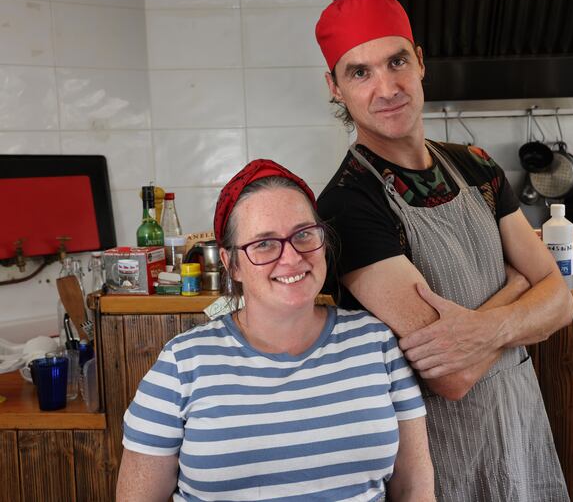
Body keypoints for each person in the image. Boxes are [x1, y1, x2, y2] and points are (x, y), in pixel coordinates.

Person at [315, 0, 573, 501]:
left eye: (396, 62)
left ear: (420, 62)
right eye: (360, 72)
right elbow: (452, 375)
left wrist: (483, 329)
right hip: (435, 454)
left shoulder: (476, 165)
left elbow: (561, 300)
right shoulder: (347, 204)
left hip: (519, 426)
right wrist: (519, 287)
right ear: (335, 88)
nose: (387, 88)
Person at [116, 159, 435, 502]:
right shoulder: (182, 364)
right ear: (231, 264)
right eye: (264, 243)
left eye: (304, 234)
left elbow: (414, 488)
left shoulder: (376, 343)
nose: (292, 257)